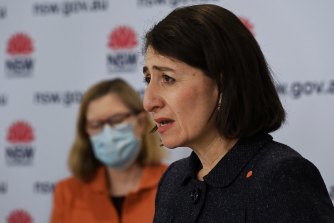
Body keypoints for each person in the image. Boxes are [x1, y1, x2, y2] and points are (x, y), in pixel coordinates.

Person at [142, 4, 334, 223]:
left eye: (168, 78)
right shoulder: (174, 180)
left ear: (223, 85)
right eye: (148, 79)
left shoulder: (281, 178)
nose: (148, 101)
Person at [50, 78, 166, 223]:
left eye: (117, 120)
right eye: (96, 124)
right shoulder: (68, 192)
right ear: (86, 131)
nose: (107, 133)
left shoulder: (173, 185)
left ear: (141, 123)